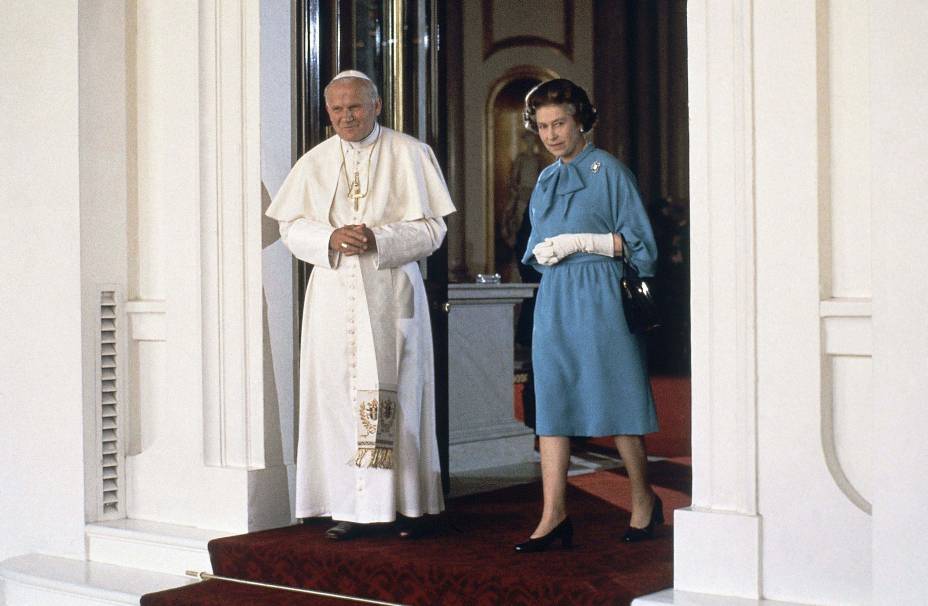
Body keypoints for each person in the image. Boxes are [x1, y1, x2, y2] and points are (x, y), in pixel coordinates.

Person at [266, 70, 455, 541]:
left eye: (355, 107)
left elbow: (433, 229)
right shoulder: (315, 161)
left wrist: (380, 237)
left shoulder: (411, 153)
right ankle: (346, 506)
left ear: (376, 106)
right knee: (333, 398)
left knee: (399, 395)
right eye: (337, 109)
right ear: (327, 113)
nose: (346, 117)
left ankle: (403, 505)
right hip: (332, 293)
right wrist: (330, 235)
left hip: (392, 291)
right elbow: (289, 228)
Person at [515, 79, 662, 552]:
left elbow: (644, 248)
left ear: (580, 120)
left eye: (559, 123)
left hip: (602, 293)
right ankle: (553, 514)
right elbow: (534, 249)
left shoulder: (610, 171)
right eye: (542, 127)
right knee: (552, 404)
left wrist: (586, 242)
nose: (552, 134)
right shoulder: (544, 179)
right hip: (556, 296)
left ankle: (643, 499)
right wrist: (546, 251)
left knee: (617, 397)